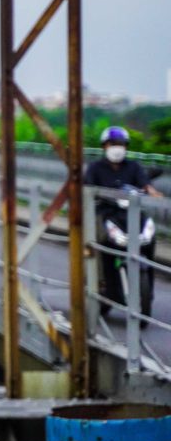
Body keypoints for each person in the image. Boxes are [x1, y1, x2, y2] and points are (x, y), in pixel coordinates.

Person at [85, 126, 163, 318]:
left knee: (150, 238)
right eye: (113, 144)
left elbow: (145, 183)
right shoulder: (95, 168)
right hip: (105, 213)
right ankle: (100, 283)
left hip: (131, 214)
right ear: (105, 146)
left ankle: (148, 289)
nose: (117, 148)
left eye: (120, 144)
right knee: (98, 242)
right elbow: (86, 187)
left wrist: (153, 193)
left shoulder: (133, 167)